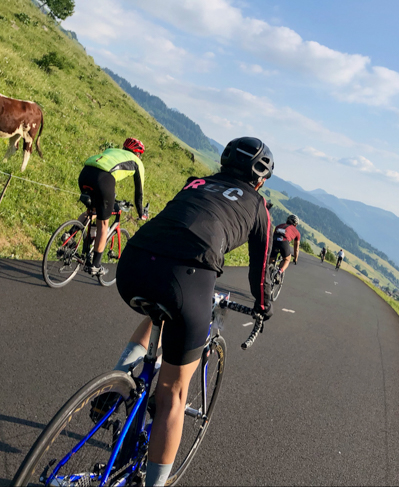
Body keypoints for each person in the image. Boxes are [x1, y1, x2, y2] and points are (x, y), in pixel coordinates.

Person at [110, 136, 274, 486]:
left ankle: (116, 381)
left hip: (134, 262)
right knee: (173, 392)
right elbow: (259, 271)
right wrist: (262, 307)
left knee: (158, 314)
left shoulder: (196, 182)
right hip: (188, 278)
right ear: (260, 180)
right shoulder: (259, 207)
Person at [75, 137, 148, 275]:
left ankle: (70, 235)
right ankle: (95, 266)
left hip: (85, 172)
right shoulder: (137, 162)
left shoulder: (112, 150)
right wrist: (141, 213)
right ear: (138, 154)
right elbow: (139, 193)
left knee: (92, 210)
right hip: (104, 179)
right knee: (103, 224)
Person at [271, 214, 300, 283]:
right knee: (287, 259)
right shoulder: (297, 232)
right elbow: (296, 248)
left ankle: (268, 271)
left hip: (274, 240)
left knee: (271, 260)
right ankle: (279, 272)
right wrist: (295, 258)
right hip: (284, 242)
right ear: (295, 225)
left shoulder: (279, 226)